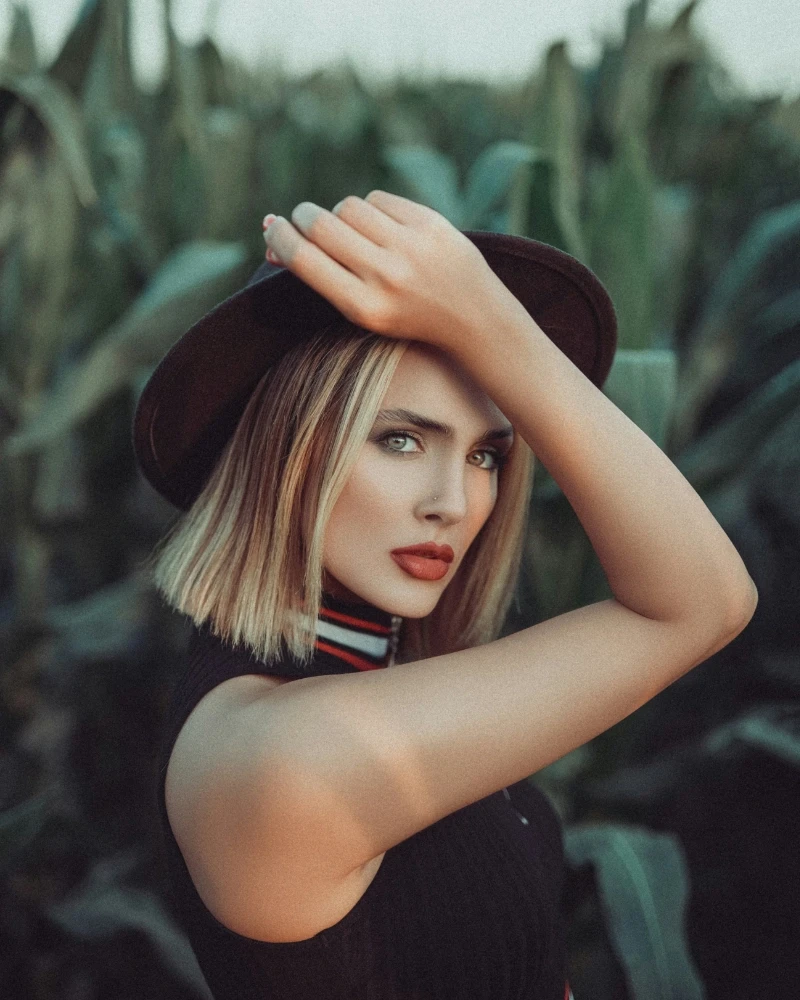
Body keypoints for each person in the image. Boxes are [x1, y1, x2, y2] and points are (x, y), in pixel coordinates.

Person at [133, 191, 757, 1000]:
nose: (454, 504)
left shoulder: (367, 685)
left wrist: (482, 322)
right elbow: (704, 602)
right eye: (400, 439)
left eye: (487, 455)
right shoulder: (277, 760)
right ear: (282, 451)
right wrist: (488, 323)